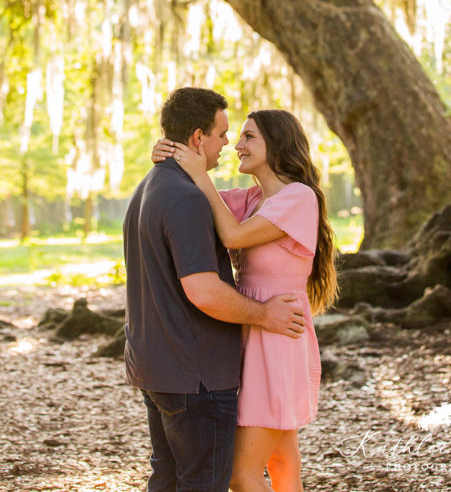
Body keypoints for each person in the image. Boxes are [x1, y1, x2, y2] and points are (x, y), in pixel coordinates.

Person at [123, 88, 306, 492]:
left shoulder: (151, 187)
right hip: (195, 373)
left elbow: (226, 219)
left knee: (171, 479)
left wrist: (180, 163)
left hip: (158, 364)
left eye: (242, 136)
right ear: (196, 138)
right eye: (223, 134)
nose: (230, 144)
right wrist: (263, 314)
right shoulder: (188, 197)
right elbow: (204, 290)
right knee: (205, 482)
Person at [153, 108, 337, 492]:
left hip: (278, 337)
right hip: (254, 331)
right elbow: (197, 203)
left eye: (249, 137)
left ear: (278, 141)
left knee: (241, 475)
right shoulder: (252, 198)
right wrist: (169, 162)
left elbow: (233, 236)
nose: (237, 146)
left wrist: (200, 174)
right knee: (282, 463)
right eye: (237, 137)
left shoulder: (298, 197)